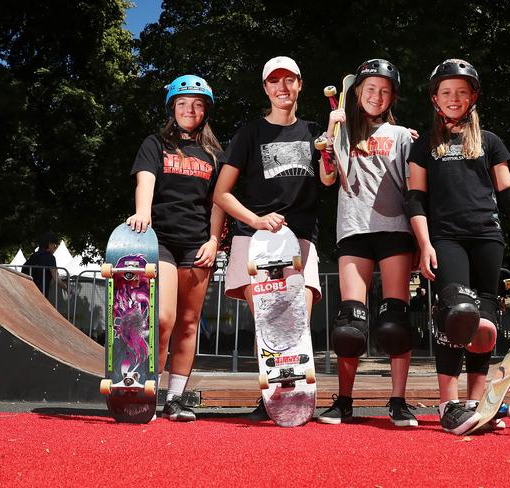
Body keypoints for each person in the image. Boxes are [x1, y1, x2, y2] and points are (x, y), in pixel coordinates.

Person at [406, 58, 510, 434]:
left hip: (488, 238)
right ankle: (448, 405)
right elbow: (414, 200)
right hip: (447, 239)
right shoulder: (425, 146)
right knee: (457, 313)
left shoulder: (489, 142)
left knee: (485, 328)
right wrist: (424, 243)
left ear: (473, 96)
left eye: (461, 92)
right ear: (435, 99)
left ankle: (477, 406)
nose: (454, 98)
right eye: (447, 93)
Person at [213, 56, 333, 421]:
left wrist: (331, 145)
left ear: (299, 85)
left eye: (289, 80)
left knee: (296, 324)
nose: (282, 88)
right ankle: (268, 399)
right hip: (256, 239)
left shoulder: (316, 131)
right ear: (266, 88)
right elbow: (222, 193)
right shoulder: (249, 133)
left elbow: (329, 180)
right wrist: (257, 220)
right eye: (274, 81)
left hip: (300, 241)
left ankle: (297, 398)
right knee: (268, 322)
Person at [316, 59, 418, 427]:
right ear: (357, 92)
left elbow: (416, 187)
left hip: (395, 231)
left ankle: (399, 400)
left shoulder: (404, 135)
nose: (377, 95)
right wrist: (329, 139)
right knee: (350, 324)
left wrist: (423, 241)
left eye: (385, 90)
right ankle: (344, 401)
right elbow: (328, 178)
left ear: (392, 97)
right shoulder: (341, 132)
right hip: (354, 230)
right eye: (371, 88)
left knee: (395, 321)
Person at [127, 74, 225, 421]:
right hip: (162, 242)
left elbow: (218, 202)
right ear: (173, 108)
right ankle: (147, 391)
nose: (190, 109)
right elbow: (145, 180)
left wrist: (215, 241)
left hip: (198, 245)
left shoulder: (214, 154)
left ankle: (176, 399)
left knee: (188, 322)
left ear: (205, 111)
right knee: (164, 319)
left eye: (197, 105)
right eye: (183, 104)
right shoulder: (156, 144)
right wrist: (142, 213)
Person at [22, 232, 68, 298]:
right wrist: (66, 288)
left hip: (28, 293)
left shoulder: (33, 256)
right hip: (41, 295)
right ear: (49, 244)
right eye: (54, 244)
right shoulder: (50, 258)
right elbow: (56, 279)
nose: (55, 247)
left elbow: (23, 269)